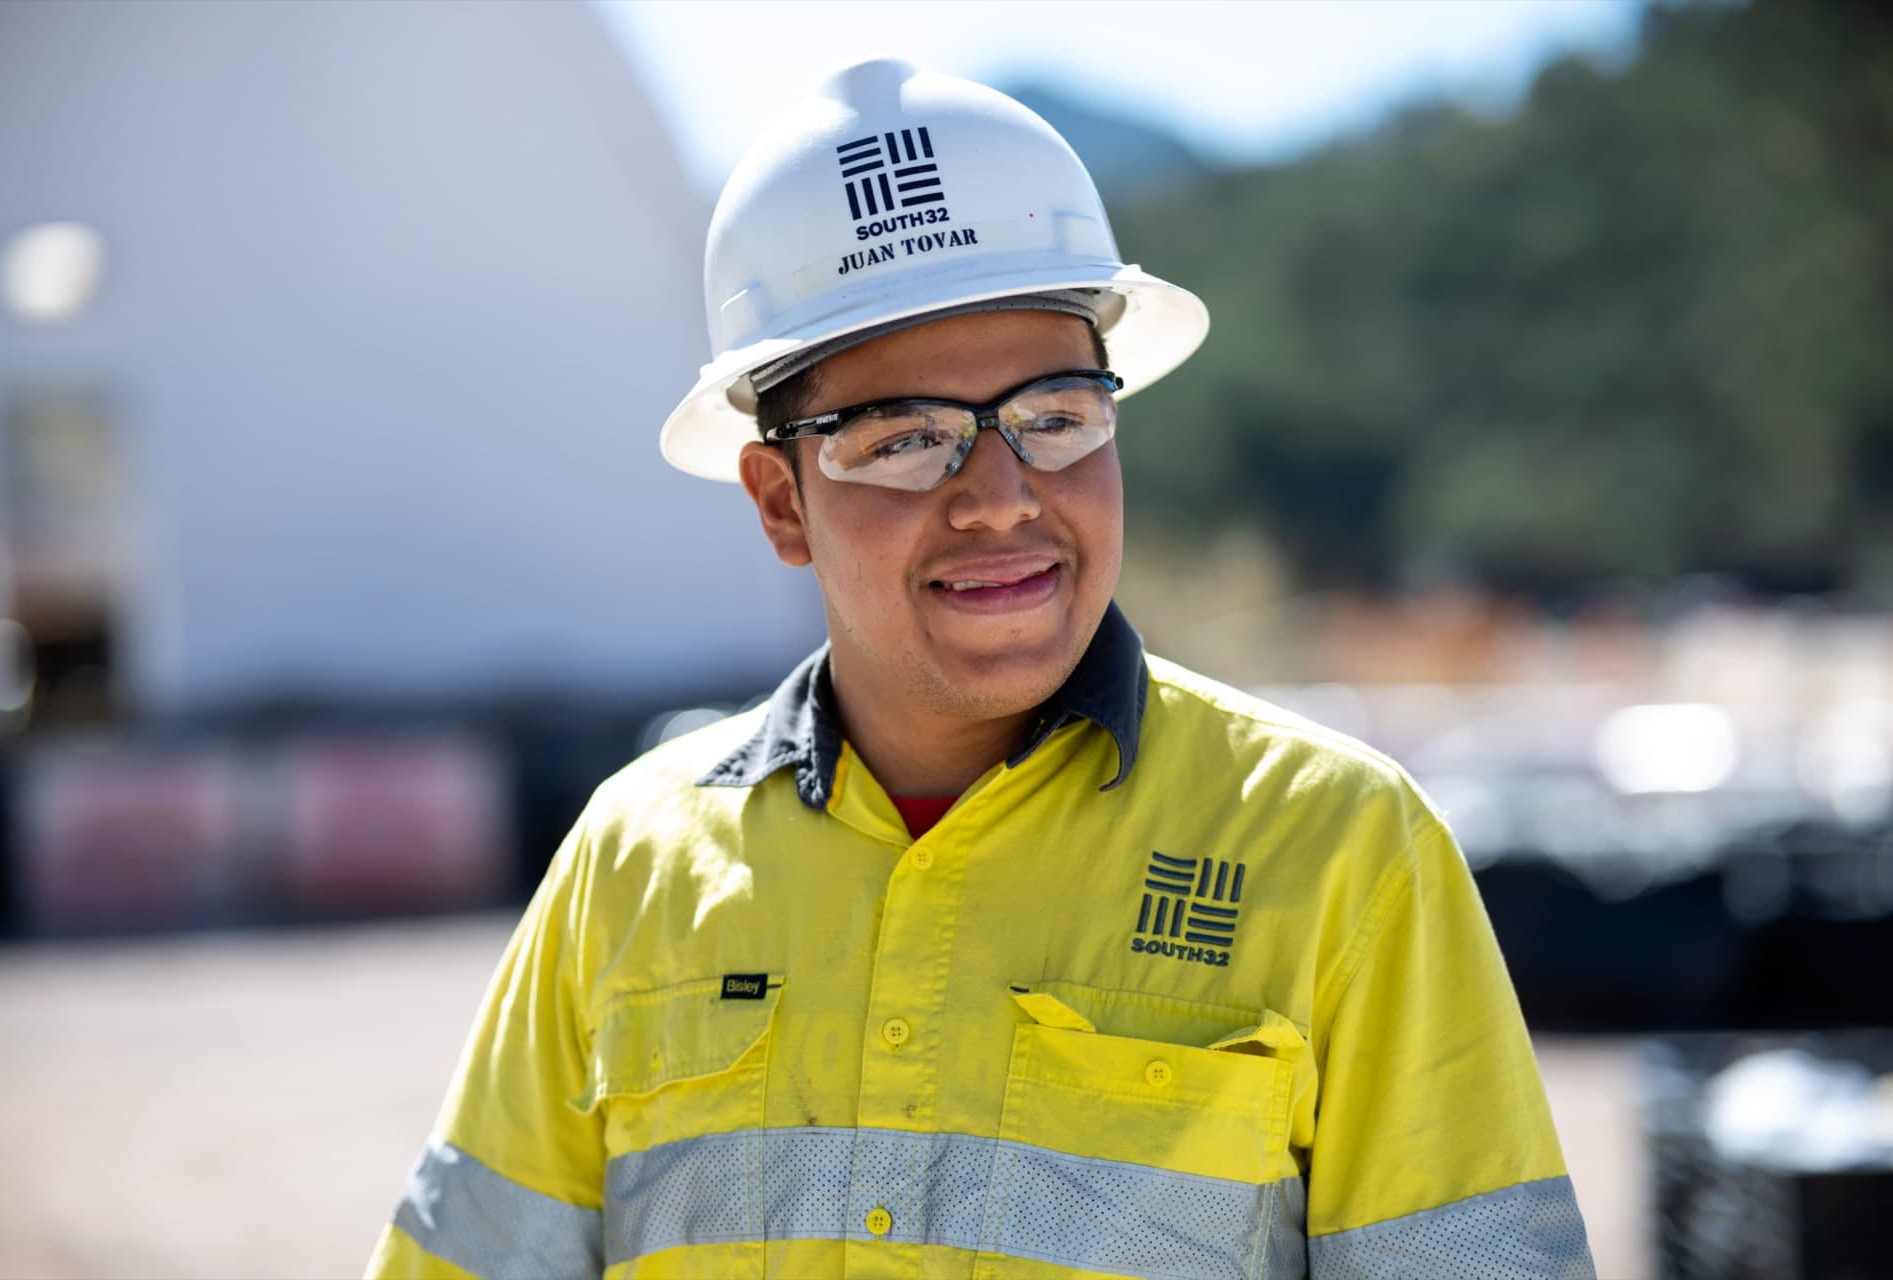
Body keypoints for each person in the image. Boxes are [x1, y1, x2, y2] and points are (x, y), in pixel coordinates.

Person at [365, 58, 1595, 1280]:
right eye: (908, 440)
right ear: (780, 501)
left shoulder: (1341, 852)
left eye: (1057, 417)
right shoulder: (632, 865)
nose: (1001, 499)